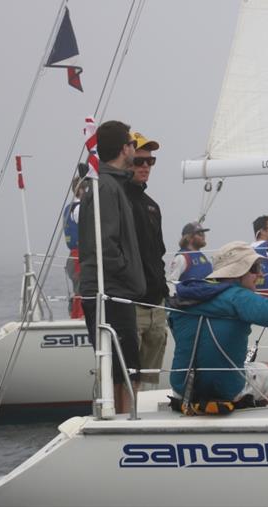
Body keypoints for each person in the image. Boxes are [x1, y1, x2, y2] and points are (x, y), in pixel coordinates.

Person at [168, 241, 268, 405]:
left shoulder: (185, 298)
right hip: (226, 388)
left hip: (182, 388)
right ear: (239, 272)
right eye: (255, 269)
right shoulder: (238, 297)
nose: (261, 274)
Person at [79, 120, 146, 414]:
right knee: (124, 367)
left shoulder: (111, 184)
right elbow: (105, 245)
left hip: (115, 288)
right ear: (124, 149)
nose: (135, 149)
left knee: (124, 366)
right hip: (111, 290)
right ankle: (123, 423)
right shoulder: (106, 186)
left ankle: (122, 418)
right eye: (132, 144)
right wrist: (128, 272)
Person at [125, 131, 169, 390]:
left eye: (150, 162)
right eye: (139, 161)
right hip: (131, 302)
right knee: (123, 374)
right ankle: (121, 420)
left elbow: (158, 253)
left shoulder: (152, 205)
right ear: (126, 158)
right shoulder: (117, 199)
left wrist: (163, 292)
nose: (145, 166)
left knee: (148, 380)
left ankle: (140, 420)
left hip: (156, 302)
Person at [62, 165, 88, 319]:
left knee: (81, 287)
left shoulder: (70, 208)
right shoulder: (79, 209)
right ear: (80, 190)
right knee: (82, 288)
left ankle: (79, 315)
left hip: (75, 254)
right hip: (80, 255)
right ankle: (79, 317)